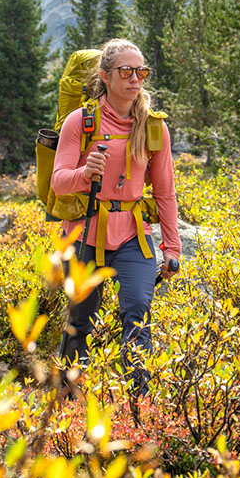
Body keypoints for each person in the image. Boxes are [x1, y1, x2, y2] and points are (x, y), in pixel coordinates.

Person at [51, 38, 180, 394]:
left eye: (141, 71)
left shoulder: (154, 127)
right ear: (106, 76)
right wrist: (85, 173)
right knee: (81, 318)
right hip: (84, 232)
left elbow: (165, 192)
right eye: (126, 71)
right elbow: (59, 181)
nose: (135, 78)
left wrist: (172, 248)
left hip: (133, 235)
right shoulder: (80, 121)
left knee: (138, 310)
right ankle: (68, 400)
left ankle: (138, 403)